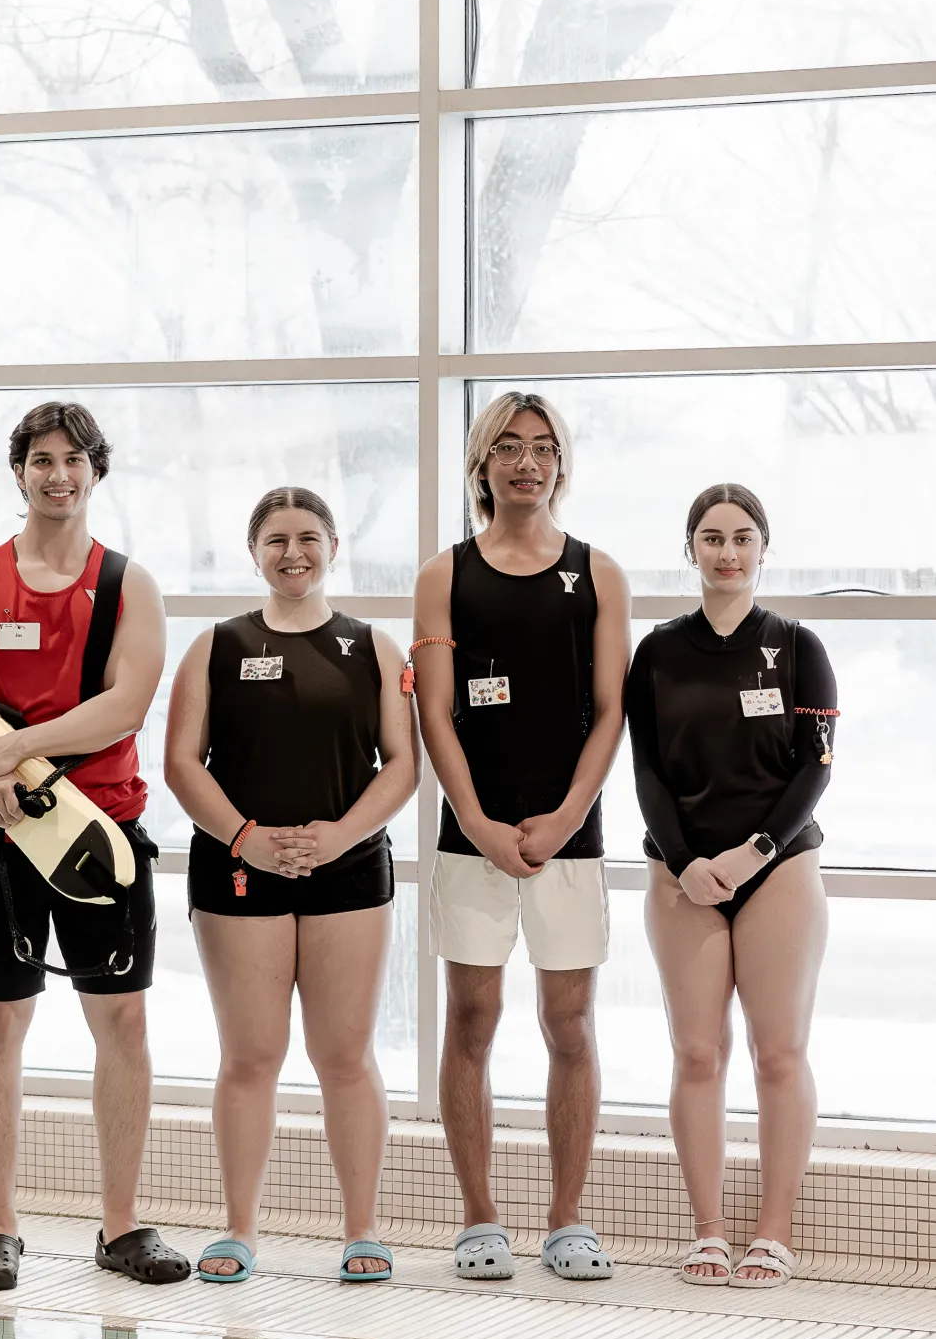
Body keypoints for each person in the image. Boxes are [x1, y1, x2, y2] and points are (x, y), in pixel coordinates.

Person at [0, 401, 189, 1291]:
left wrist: (13, 750)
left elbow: (127, 704)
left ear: (97, 471)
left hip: (99, 835)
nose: (58, 475)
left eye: (75, 460)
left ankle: (121, 1226)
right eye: (42, 460)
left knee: (122, 1020)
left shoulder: (129, 585)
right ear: (17, 473)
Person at [165, 486, 419, 1284]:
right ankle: (239, 1227)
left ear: (334, 547)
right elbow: (179, 762)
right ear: (254, 552)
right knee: (250, 1055)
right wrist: (248, 839)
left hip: (348, 867)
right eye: (275, 539)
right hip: (240, 868)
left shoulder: (373, 647)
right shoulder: (215, 646)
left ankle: (361, 1227)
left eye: (308, 537)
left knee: (344, 1055)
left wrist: (342, 835)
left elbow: (403, 762)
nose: (292, 552)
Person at [413, 391, 630, 1283]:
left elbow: (611, 708)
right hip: (476, 832)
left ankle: (568, 1220)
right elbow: (435, 711)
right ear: (481, 463)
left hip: (567, 833)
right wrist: (474, 821)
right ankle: (478, 1218)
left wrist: (572, 814)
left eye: (542, 447)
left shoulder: (597, 573)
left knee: (568, 1021)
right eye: (508, 446)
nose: (526, 461)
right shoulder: (445, 574)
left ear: (562, 464)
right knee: (472, 1017)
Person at [626, 484, 838, 1289]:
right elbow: (644, 769)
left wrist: (755, 850)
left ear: (762, 549)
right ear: (690, 550)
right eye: (711, 538)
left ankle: (773, 1230)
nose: (727, 552)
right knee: (696, 1052)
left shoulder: (796, 645)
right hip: (681, 870)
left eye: (742, 538)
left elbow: (815, 768)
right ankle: (709, 1229)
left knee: (778, 1052)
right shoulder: (658, 652)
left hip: (778, 867)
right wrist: (683, 862)